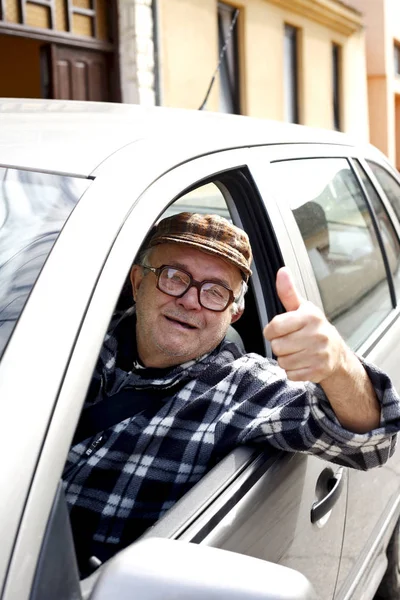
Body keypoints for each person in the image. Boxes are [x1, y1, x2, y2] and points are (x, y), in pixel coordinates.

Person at [63, 211, 400, 573]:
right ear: (137, 282)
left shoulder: (241, 388)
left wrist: (338, 366)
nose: (191, 300)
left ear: (234, 313)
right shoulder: (71, 339)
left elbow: (372, 445)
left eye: (215, 291)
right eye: (174, 277)